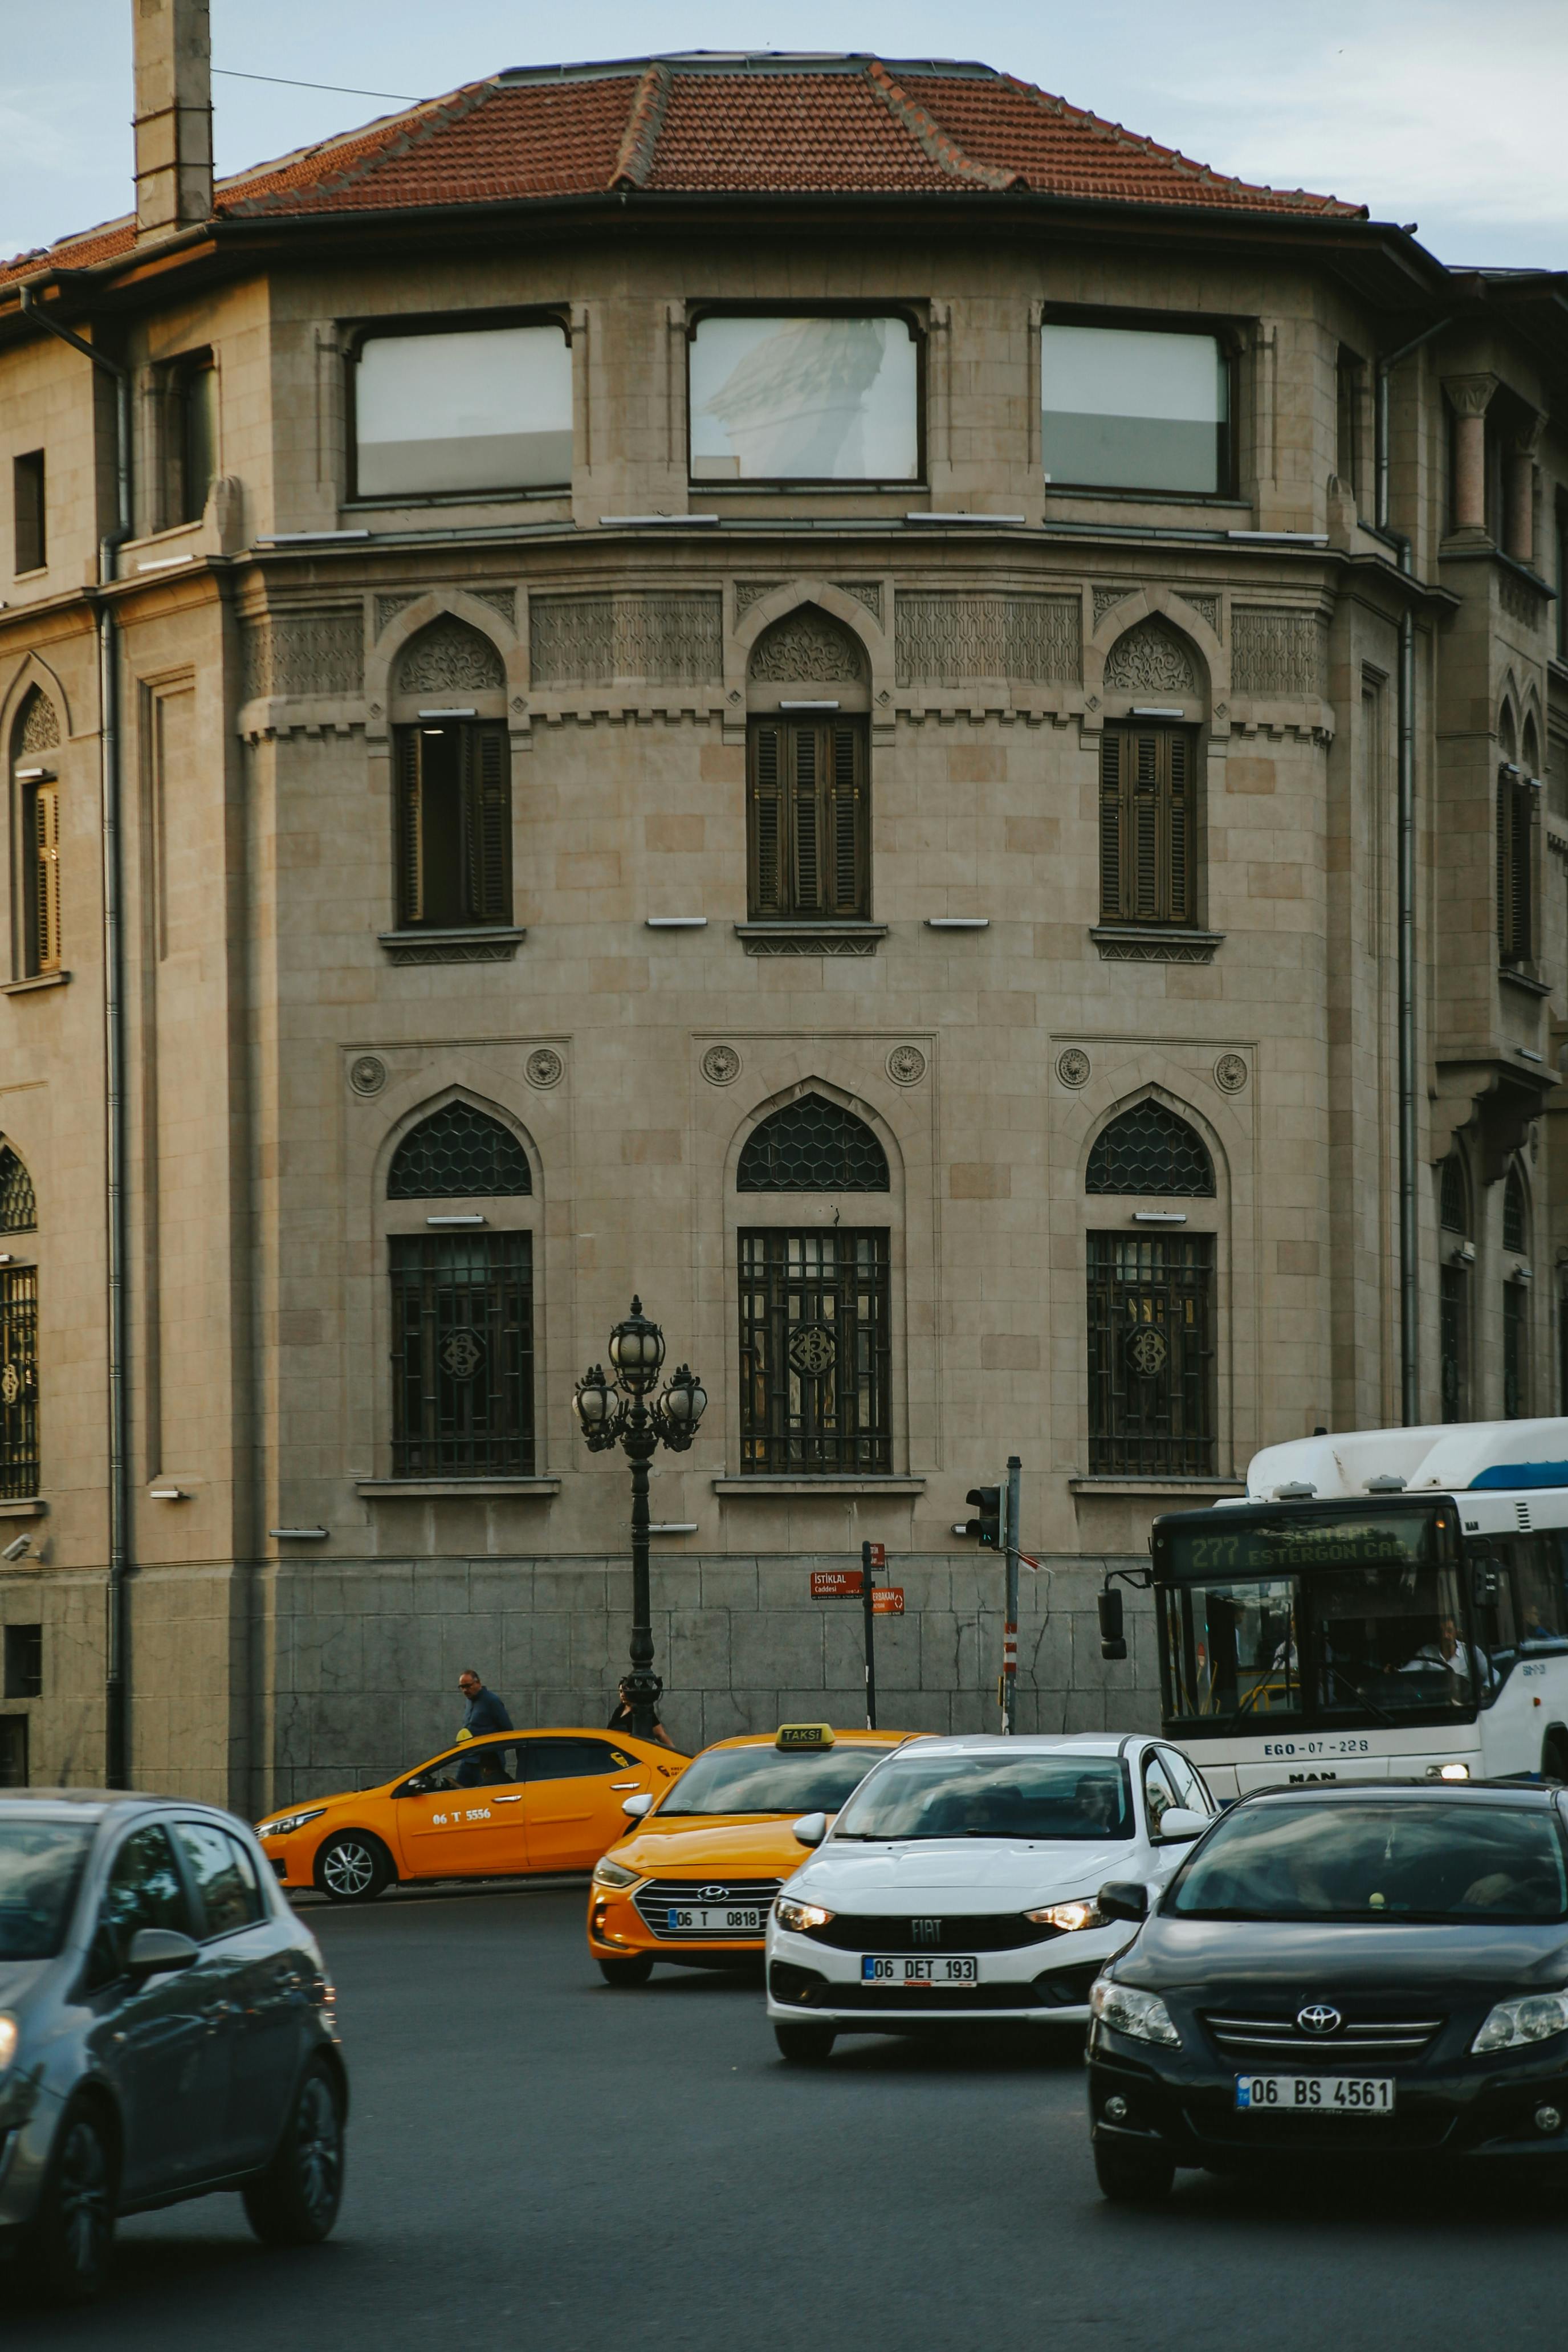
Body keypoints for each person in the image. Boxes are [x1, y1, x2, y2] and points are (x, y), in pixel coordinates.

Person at [607, 1676, 675, 1749]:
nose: (622, 1695)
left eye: (625, 1691)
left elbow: (660, 1734)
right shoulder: (619, 1709)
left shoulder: (642, 1711)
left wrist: (675, 1752)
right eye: (620, 1691)